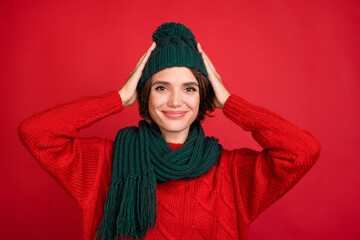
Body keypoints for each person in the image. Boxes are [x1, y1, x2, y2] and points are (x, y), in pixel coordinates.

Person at [18, 22, 321, 240]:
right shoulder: (102, 163)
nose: (175, 101)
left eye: (189, 88)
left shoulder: (232, 173)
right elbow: (37, 134)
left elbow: (301, 151)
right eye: (161, 87)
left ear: (203, 95)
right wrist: (118, 98)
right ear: (145, 94)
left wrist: (229, 101)